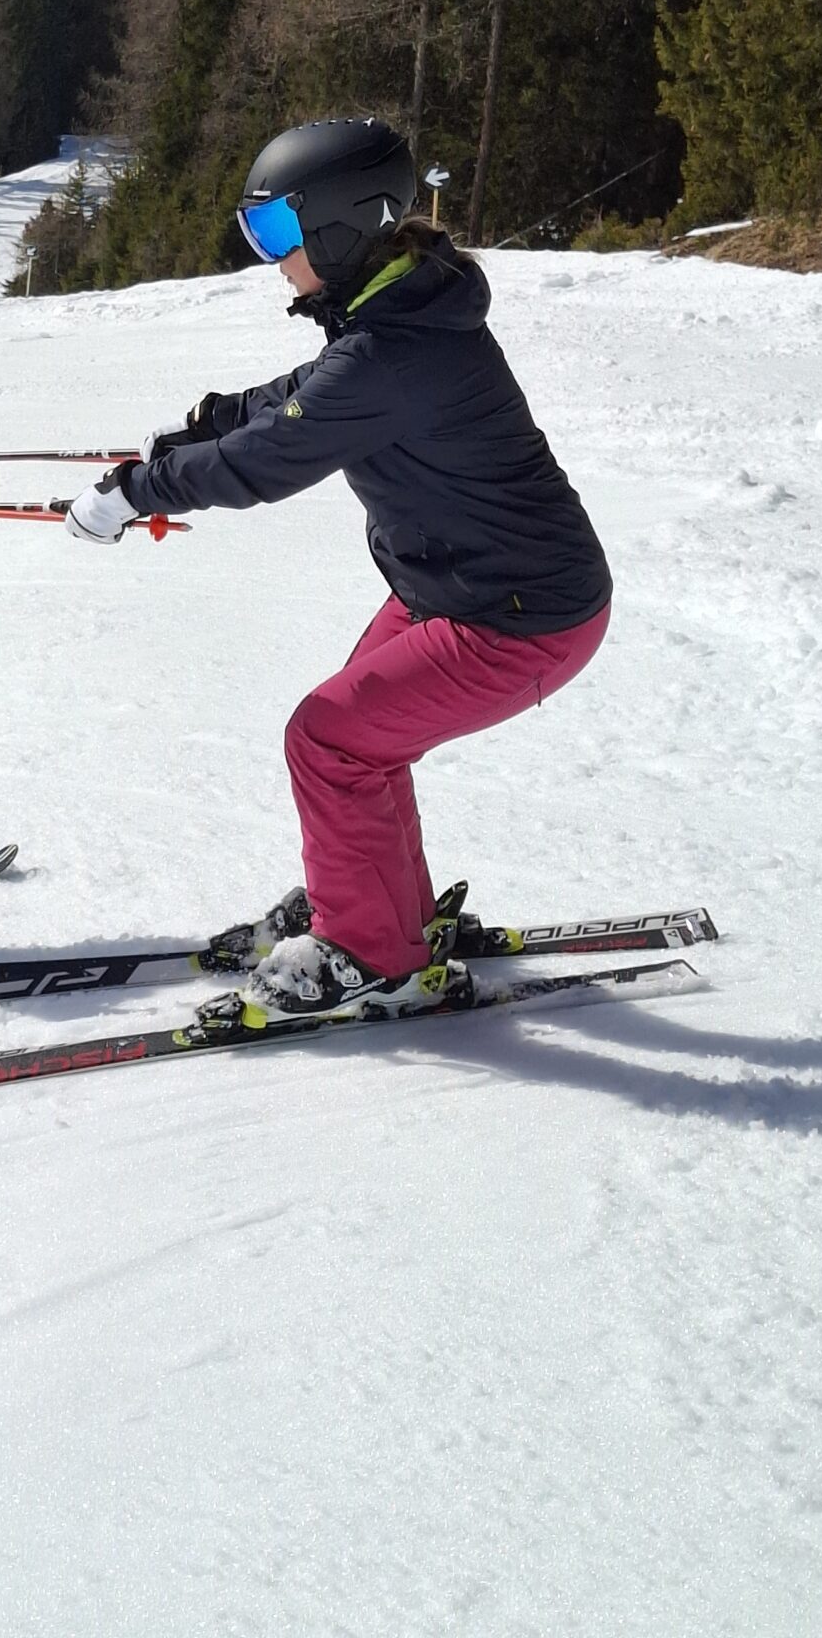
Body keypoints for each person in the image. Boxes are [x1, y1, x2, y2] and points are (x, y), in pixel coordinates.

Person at [66, 117, 611, 1027]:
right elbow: (300, 397)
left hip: (519, 616)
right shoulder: (398, 310)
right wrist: (208, 421)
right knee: (357, 741)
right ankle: (380, 915)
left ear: (341, 226)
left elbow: (269, 460)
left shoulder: (392, 349)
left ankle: (370, 954)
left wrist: (135, 493)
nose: (270, 258)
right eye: (258, 232)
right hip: (465, 587)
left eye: (278, 231)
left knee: (330, 740)